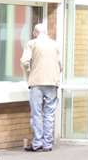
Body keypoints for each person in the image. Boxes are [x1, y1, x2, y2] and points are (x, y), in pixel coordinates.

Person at [20, 20, 60, 152]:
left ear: (35, 33)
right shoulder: (54, 44)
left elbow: (25, 61)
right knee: (49, 114)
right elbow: (60, 66)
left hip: (36, 83)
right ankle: (48, 144)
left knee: (37, 113)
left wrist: (29, 72)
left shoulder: (32, 43)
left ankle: (37, 143)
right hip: (52, 83)